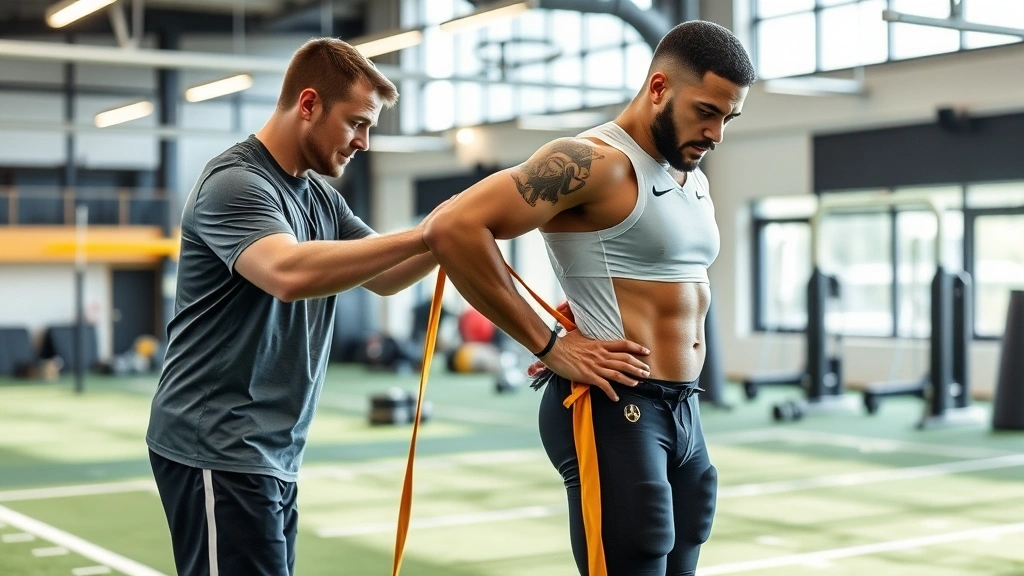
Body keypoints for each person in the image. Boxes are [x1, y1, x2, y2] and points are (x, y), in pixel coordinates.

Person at [423, 20, 754, 576]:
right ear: (658, 88)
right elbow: (453, 227)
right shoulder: (593, 162)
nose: (716, 133)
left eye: (728, 117)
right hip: (614, 405)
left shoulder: (689, 174)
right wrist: (551, 343)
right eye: (706, 111)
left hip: (684, 407)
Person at [146, 38, 444, 576]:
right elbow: (287, 273)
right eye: (357, 123)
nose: (364, 142)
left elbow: (388, 275)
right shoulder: (235, 183)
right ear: (309, 104)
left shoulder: (320, 197)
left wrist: (461, 228)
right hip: (217, 444)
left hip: (271, 452)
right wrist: (429, 233)